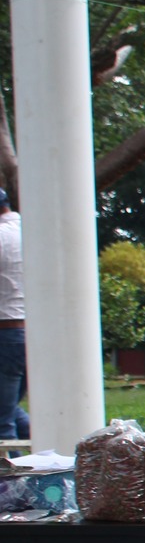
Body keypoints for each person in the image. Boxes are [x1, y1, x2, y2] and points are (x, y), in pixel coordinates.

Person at [0, 188, 25, 443]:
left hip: (7, 333)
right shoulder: (30, 233)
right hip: (33, 334)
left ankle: (14, 481)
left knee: (3, 424)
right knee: (12, 411)